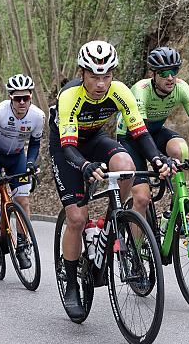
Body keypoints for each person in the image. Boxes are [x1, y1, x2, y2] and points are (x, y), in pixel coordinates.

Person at [48, 40, 170, 320]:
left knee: (126, 165)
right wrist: (84, 165)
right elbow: (68, 146)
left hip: (94, 139)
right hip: (67, 147)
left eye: (107, 76)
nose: (101, 83)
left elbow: (140, 133)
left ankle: (114, 217)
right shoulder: (69, 96)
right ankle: (70, 282)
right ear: (82, 74)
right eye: (94, 76)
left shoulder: (120, 92)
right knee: (77, 219)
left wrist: (157, 159)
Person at [117, 46, 189, 219]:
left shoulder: (182, 88)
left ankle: (174, 211)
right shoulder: (141, 90)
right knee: (142, 199)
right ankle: (135, 243)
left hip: (154, 132)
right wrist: (159, 159)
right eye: (163, 73)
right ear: (152, 74)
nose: (170, 78)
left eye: (174, 71)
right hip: (131, 137)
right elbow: (141, 134)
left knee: (180, 149)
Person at [0, 74, 45, 269]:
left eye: (26, 98)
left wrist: (31, 162)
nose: (22, 102)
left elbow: (35, 144)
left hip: (17, 157)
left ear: (31, 96)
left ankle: (22, 244)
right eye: (17, 98)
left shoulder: (38, 116)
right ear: (10, 98)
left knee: (23, 200)